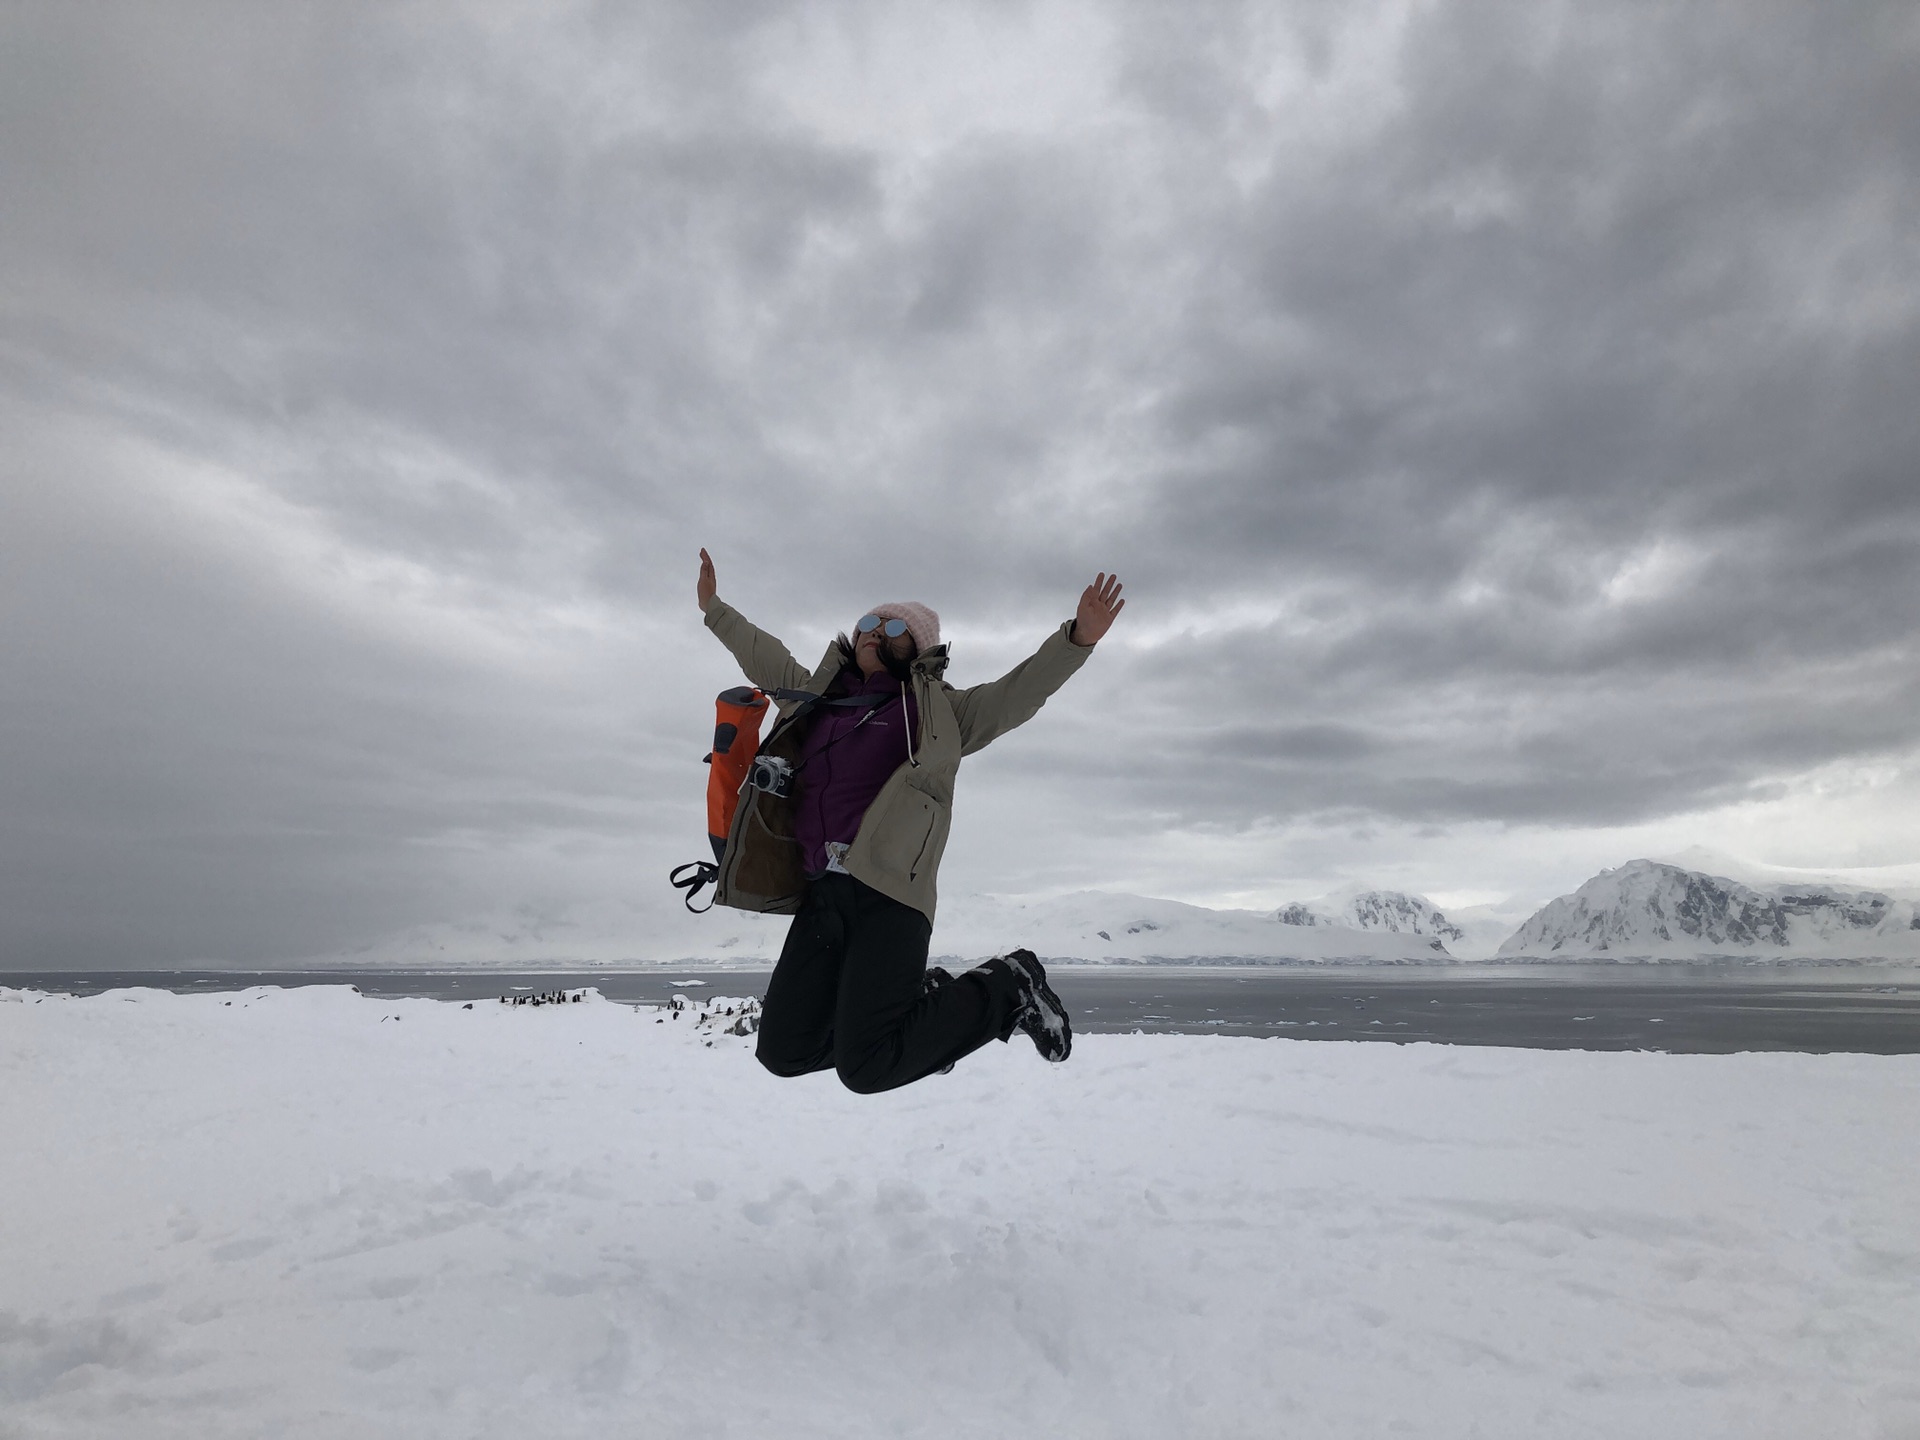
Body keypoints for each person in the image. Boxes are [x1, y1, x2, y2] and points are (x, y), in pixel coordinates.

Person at [694, 547, 1125, 1093]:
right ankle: (922, 1018)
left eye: (892, 625)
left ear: (917, 647)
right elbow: (765, 656)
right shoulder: (816, 698)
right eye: (868, 622)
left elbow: (1018, 693)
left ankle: (1008, 987)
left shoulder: (940, 713)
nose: (875, 631)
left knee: (867, 1068)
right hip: (822, 895)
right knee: (782, 1049)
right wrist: (714, 608)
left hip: (890, 896)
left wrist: (1077, 639)